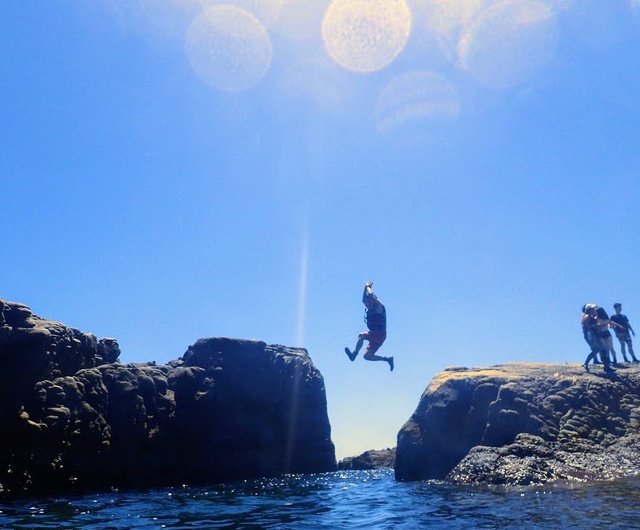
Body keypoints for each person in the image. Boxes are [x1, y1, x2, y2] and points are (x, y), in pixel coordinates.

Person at [345, 281, 394, 372]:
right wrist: (365, 288)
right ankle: (387, 359)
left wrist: (368, 287)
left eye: (369, 302)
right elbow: (364, 299)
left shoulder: (379, 306)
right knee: (367, 356)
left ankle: (354, 354)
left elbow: (370, 295)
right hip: (378, 336)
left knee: (362, 335)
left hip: (379, 334)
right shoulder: (370, 306)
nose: (367, 304)